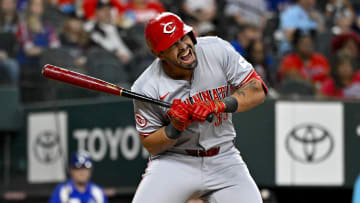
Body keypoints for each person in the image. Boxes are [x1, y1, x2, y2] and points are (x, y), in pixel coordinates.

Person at [131, 12, 268, 203]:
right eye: (173, 45)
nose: (184, 47)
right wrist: (175, 127)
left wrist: (219, 105)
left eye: (183, 37)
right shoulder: (146, 87)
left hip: (224, 157)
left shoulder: (216, 48)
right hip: (175, 161)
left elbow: (257, 89)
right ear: (159, 54)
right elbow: (150, 144)